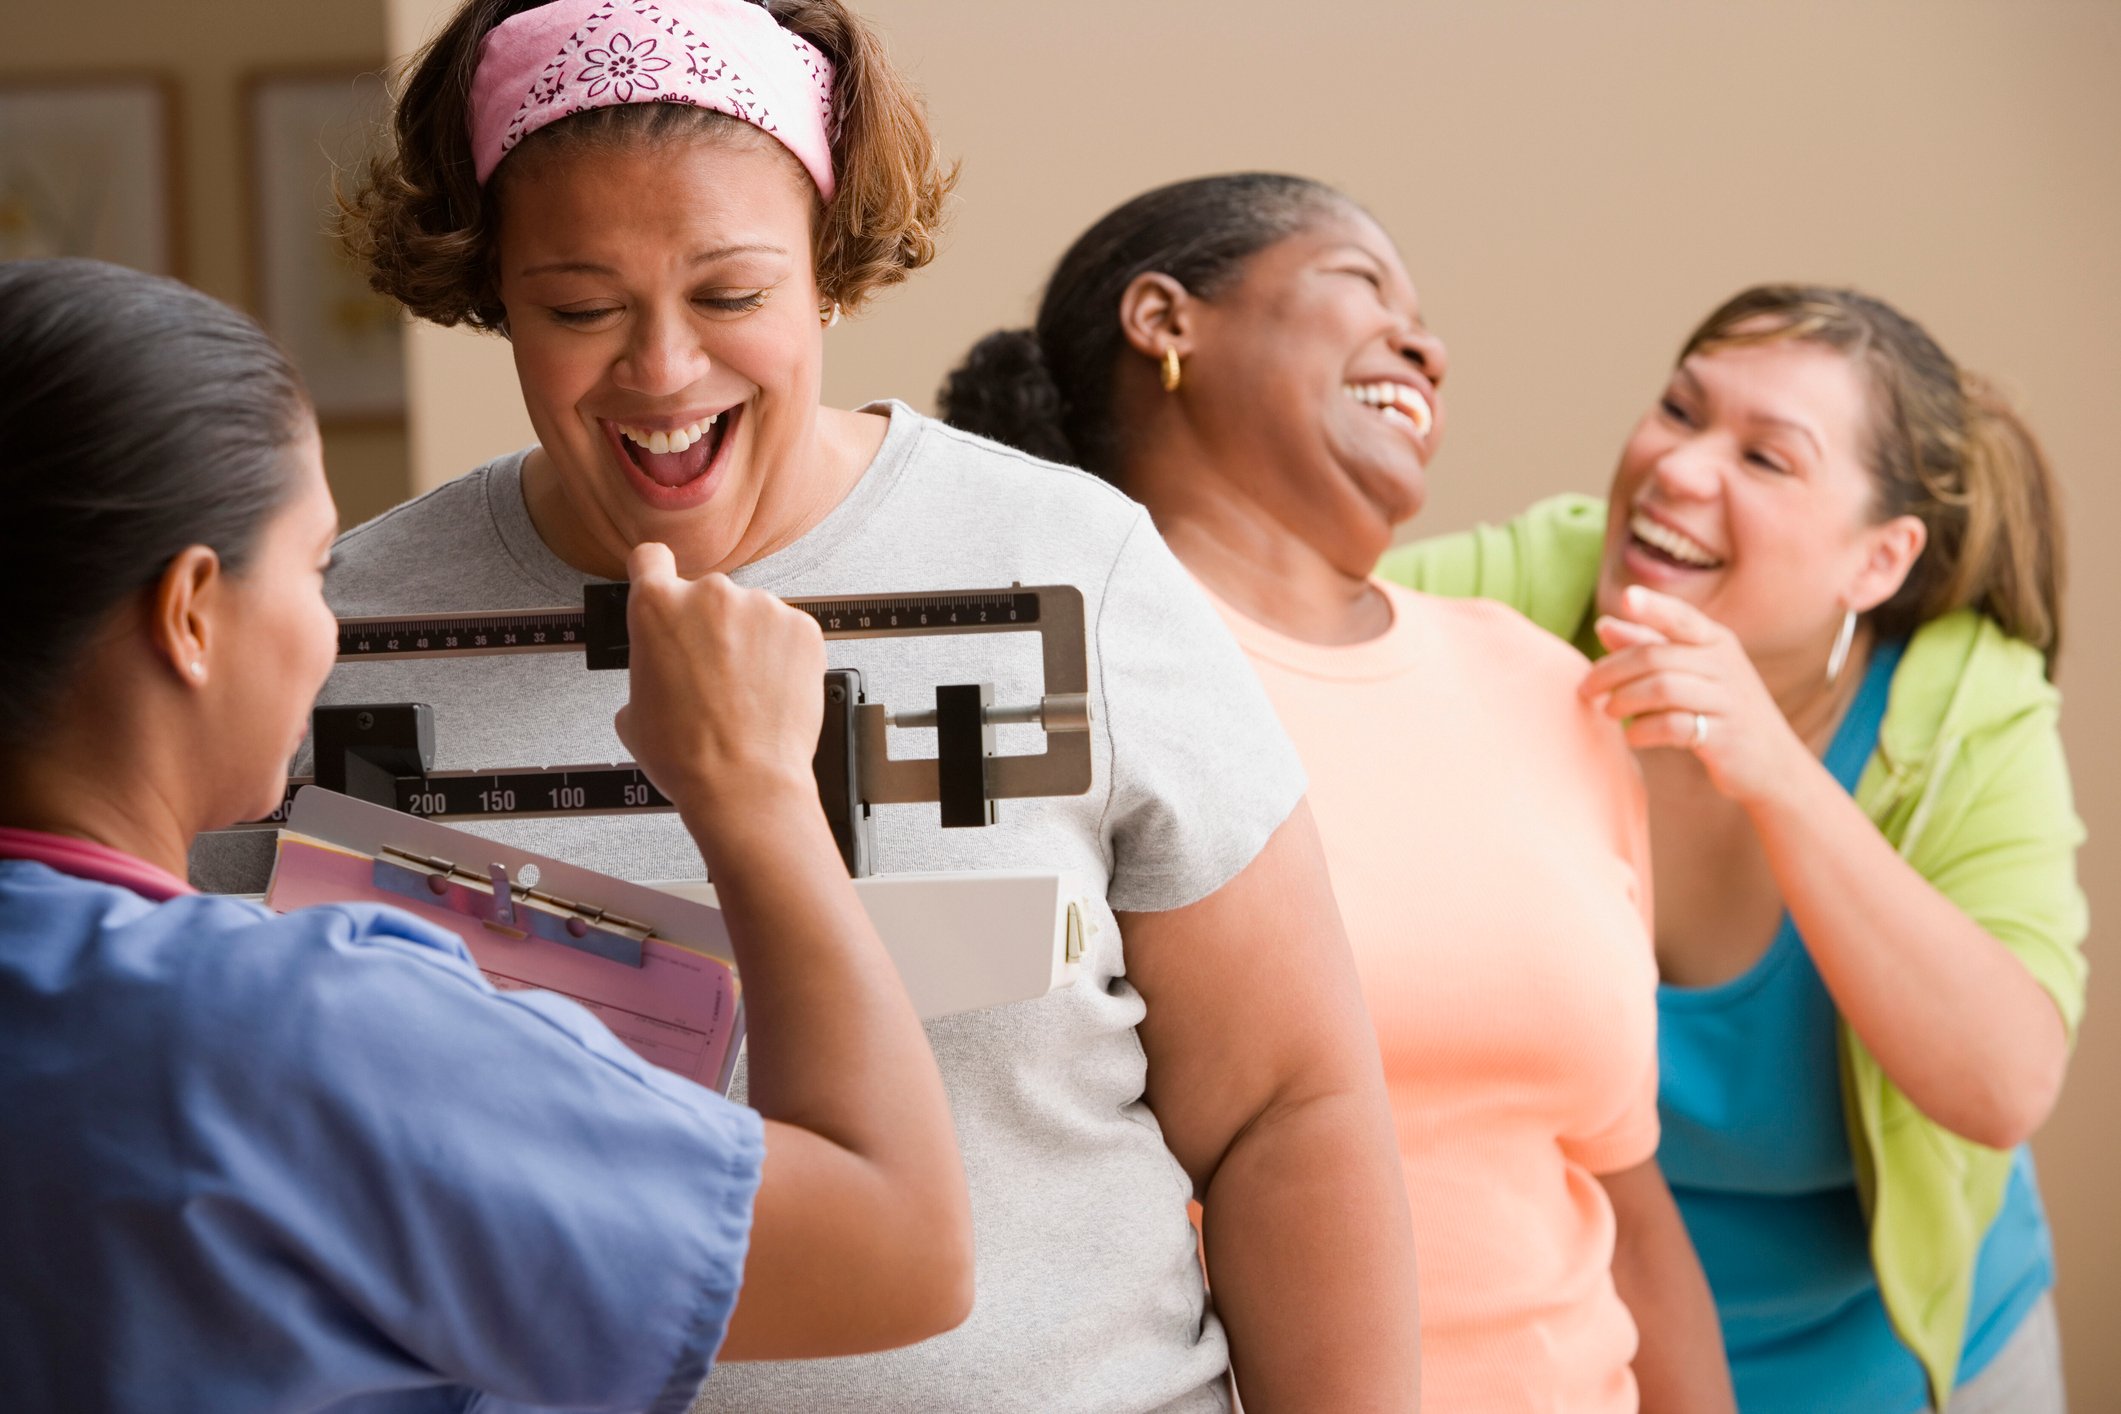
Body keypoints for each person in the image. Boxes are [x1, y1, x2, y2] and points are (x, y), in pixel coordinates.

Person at [195, 4, 1423, 1410]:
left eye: (730, 295)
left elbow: (1287, 1108)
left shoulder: (1067, 567)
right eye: (580, 308)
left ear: (829, 268)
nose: (662, 371)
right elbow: (229, 1145)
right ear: (494, 292)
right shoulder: (334, 628)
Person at [0, 258, 972, 1410]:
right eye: (316, 570)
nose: (327, 632)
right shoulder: (300, 1029)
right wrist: (755, 788)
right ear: (192, 612)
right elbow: (895, 1244)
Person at [941, 172, 1734, 1414]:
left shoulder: (1542, 684)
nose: (1426, 341)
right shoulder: (1044, 684)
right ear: (1166, 320)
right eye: (1363, 282)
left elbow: (1622, 1195)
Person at [1379, 284, 2085, 1413]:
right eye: (1678, 407)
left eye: (1767, 459)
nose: (1679, 467)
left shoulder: (1968, 706)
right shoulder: (1546, 586)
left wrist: (1771, 767)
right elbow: (1261, 616)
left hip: (1908, 1367)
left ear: (1880, 559)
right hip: (1603, 1350)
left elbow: (2005, 1081)